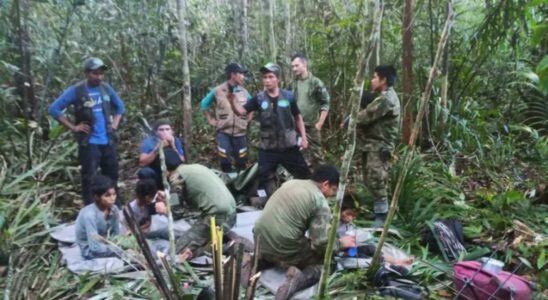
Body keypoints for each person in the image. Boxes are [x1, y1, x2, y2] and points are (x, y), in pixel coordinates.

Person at [251, 165, 356, 300]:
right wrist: (341, 243)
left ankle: (258, 260)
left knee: (288, 242)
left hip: (259, 239)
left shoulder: (292, 183)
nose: (331, 195)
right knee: (327, 264)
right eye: (333, 190)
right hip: (283, 246)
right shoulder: (319, 202)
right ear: (325, 184)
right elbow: (320, 243)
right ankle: (297, 279)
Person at [48, 57, 125, 206]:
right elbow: (54, 109)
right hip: (89, 142)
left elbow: (120, 107)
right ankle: (91, 209)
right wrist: (73, 127)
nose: (99, 77)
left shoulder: (106, 88)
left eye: (101, 73)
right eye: (95, 73)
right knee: (89, 177)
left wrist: (114, 125)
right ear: (87, 73)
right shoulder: (76, 91)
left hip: (108, 140)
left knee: (112, 176)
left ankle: (116, 208)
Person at [229, 63, 310, 199]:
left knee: (304, 174)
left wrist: (304, 138)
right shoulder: (259, 98)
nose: (267, 80)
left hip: (289, 146)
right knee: (264, 176)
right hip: (268, 148)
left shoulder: (288, 96)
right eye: (265, 77)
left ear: (277, 79)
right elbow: (242, 112)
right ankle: (272, 201)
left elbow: (298, 117)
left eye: (270, 77)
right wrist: (232, 101)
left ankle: (307, 199)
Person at [164, 155, 251, 261]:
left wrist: (164, 209)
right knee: (196, 235)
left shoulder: (176, 176)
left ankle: (228, 247)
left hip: (217, 217)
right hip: (231, 214)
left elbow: (177, 212)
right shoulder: (195, 167)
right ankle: (222, 239)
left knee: (175, 252)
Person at [357, 65, 401, 227]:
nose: (372, 80)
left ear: (383, 80)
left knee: (377, 177)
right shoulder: (381, 96)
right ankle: (378, 211)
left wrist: (352, 118)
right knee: (370, 177)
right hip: (372, 143)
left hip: (380, 145)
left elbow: (366, 116)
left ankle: (382, 216)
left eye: (375, 77)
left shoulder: (387, 99)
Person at [200, 63, 253, 173]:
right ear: (233, 75)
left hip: (240, 133)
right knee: (224, 160)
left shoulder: (244, 92)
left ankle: (241, 184)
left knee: (242, 160)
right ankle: (226, 182)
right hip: (224, 132)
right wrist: (210, 120)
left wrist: (248, 120)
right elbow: (204, 105)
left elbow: (252, 106)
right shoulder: (218, 91)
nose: (243, 77)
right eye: (241, 74)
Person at [290, 53, 330, 169]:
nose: (294, 69)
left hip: (312, 126)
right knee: (298, 156)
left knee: (317, 156)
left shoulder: (316, 83)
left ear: (305, 64)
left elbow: (325, 102)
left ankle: (322, 182)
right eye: (292, 66)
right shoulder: (293, 84)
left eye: (296, 66)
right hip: (296, 126)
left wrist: (320, 123)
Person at [75, 175, 121, 259]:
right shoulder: (89, 215)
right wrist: (117, 250)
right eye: (107, 195)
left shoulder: (114, 209)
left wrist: (119, 243)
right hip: (90, 249)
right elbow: (95, 247)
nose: (112, 198)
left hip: (108, 243)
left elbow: (117, 233)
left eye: (114, 194)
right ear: (97, 197)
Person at [138, 119, 185, 188]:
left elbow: (182, 160)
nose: (165, 132)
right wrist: (156, 150)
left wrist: (173, 146)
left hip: (173, 172)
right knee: (144, 172)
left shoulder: (176, 140)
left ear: (171, 131)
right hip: (156, 171)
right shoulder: (149, 142)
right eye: (161, 130)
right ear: (156, 132)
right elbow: (142, 163)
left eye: (167, 129)